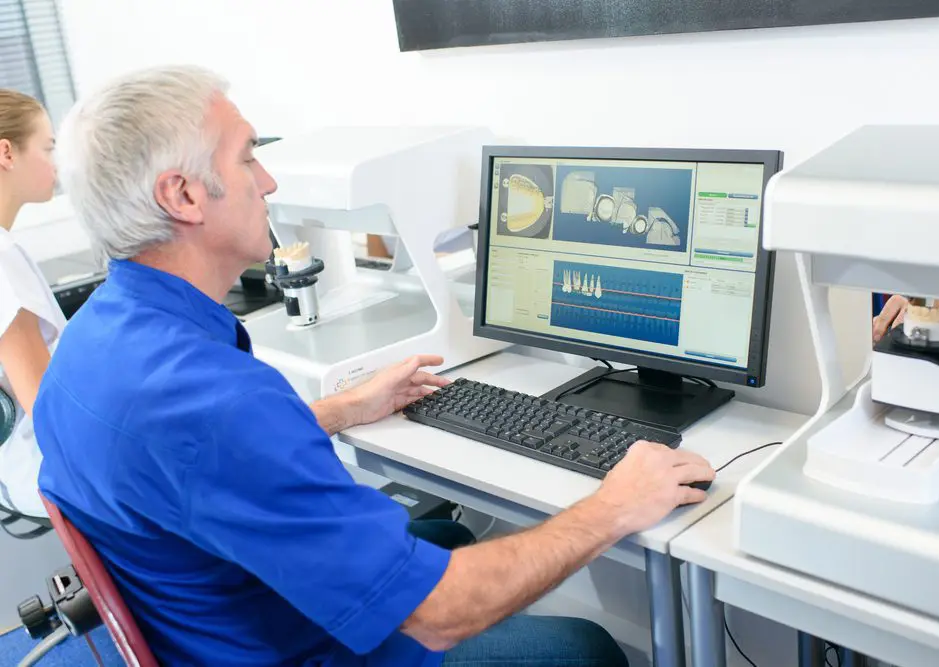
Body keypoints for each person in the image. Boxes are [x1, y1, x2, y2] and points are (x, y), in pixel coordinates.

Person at [35, 65, 715, 667]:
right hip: (298, 649)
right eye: (248, 159)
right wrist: (613, 507)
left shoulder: (91, 340)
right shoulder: (217, 406)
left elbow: (186, 463)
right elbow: (440, 614)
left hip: (210, 626)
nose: (268, 181)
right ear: (183, 196)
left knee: (444, 531)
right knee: (584, 649)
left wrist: (338, 410)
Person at [0, 89, 61, 525]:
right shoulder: (2, 257)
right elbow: (45, 403)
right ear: (6, 153)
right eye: (48, 148)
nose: (55, 164)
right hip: (43, 466)